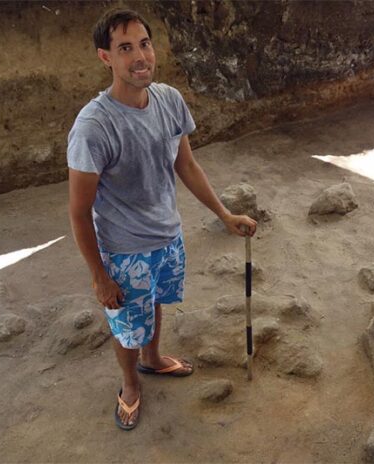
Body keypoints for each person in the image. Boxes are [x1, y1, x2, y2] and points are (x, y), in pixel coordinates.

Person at [67, 8, 256, 431]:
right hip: (124, 249)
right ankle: (129, 384)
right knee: (126, 325)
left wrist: (223, 214)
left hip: (167, 236)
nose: (140, 57)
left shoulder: (169, 100)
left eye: (145, 44)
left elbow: (185, 165)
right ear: (106, 57)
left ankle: (152, 360)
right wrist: (100, 275)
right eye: (126, 48)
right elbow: (79, 212)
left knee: (153, 303)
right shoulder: (94, 127)